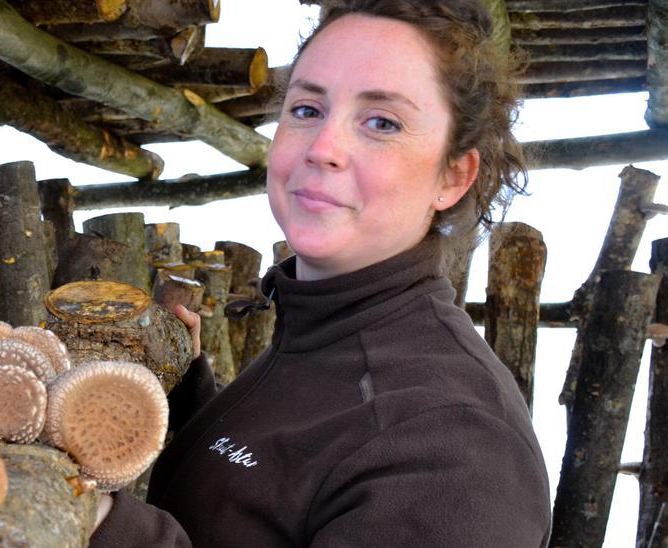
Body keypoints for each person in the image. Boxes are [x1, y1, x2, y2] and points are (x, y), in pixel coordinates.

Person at [89, 1, 552, 546]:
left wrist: (100, 525)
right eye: (307, 109)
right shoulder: (322, 326)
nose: (324, 148)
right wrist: (186, 392)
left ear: (453, 175)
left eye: (382, 122)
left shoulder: (459, 449)